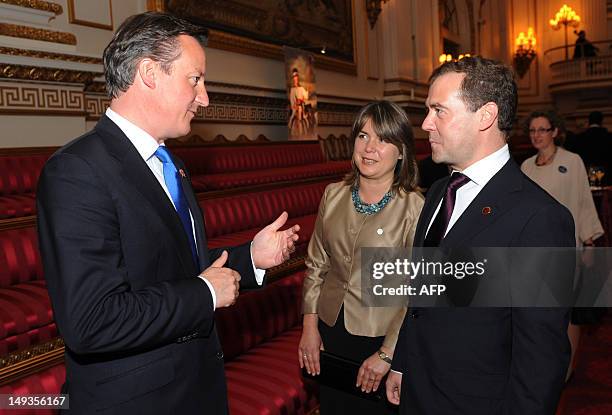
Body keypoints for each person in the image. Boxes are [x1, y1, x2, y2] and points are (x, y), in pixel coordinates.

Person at [37, 12, 299, 414]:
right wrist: (207, 293)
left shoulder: (166, 163)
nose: (205, 97)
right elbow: (92, 321)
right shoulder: (77, 171)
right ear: (149, 73)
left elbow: (170, 269)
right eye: (194, 79)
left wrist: (250, 258)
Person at [385, 56, 575, 414]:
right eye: (428, 110)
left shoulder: (541, 219)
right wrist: (402, 361)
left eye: (439, 111)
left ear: (485, 116)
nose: (426, 123)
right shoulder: (439, 191)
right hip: (419, 391)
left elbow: (540, 359)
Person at [299, 101, 423, 414]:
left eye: (383, 140)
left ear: (401, 152)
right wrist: (309, 329)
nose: (370, 148)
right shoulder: (333, 194)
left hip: (380, 337)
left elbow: (414, 292)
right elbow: (316, 265)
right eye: (363, 136)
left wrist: (387, 354)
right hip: (330, 329)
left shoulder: (414, 207)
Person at [521, 110, 604, 381]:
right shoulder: (526, 167)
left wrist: (589, 241)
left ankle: (566, 368)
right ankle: (543, 362)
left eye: (543, 130)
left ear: (555, 132)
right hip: (535, 252)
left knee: (569, 311)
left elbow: (582, 201)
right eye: (533, 130)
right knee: (540, 311)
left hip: (567, 248)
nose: (537, 135)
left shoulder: (572, 160)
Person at [565, 111, 611, 184]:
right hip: (607, 177)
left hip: (586, 176)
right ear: (601, 121)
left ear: (589, 121)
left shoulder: (579, 138)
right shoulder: (608, 137)